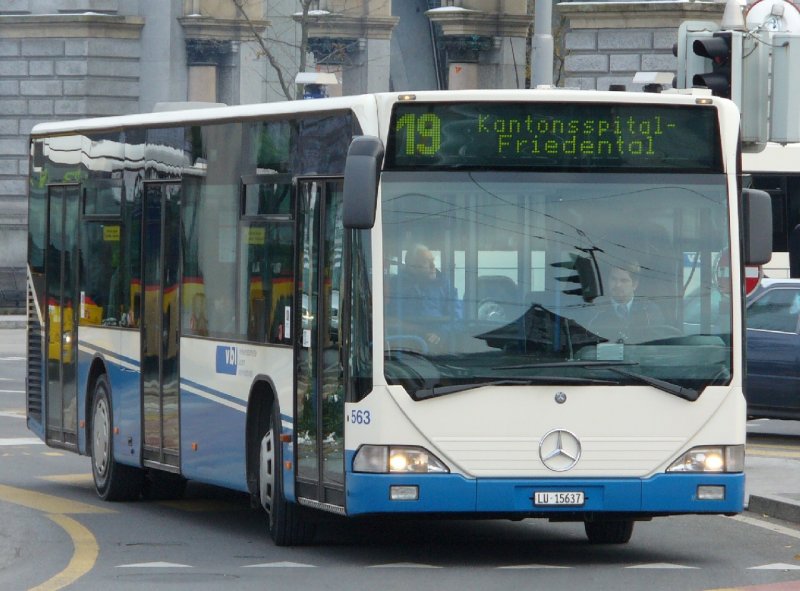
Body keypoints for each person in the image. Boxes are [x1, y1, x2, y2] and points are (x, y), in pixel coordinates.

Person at [392, 244, 462, 350]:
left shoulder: (444, 285)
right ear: (411, 267)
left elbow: (457, 316)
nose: (433, 266)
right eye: (426, 262)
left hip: (443, 345)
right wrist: (422, 332)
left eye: (433, 261)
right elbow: (389, 320)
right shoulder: (396, 286)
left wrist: (441, 332)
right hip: (405, 345)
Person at [589, 262, 665, 343]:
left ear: (635, 285)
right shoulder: (595, 310)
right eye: (613, 279)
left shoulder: (649, 310)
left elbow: (657, 344)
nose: (617, 285)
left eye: (624, 281)